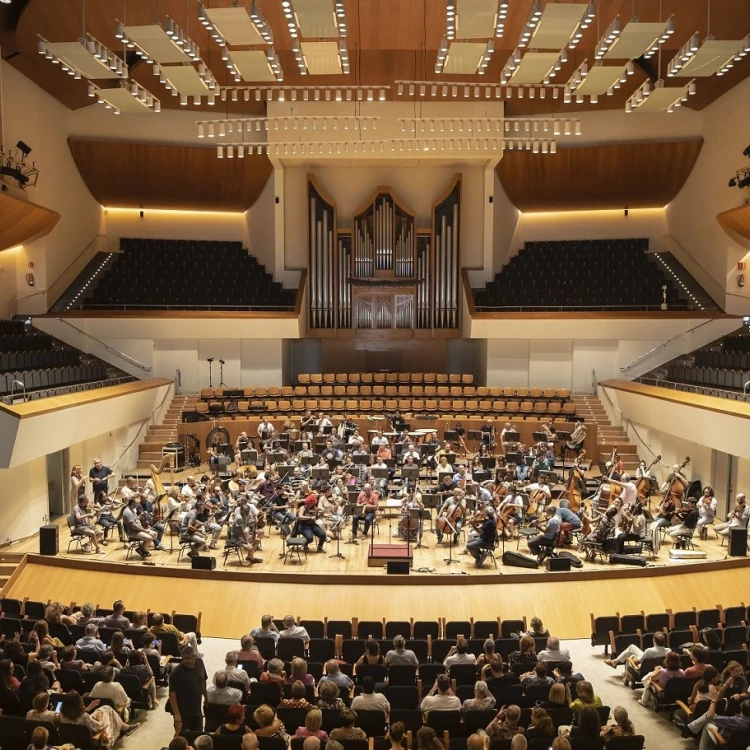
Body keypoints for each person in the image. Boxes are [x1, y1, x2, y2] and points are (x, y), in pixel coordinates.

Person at [59, 690, 138, 747]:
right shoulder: (84, 716)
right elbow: (101, 726)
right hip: (93, 739)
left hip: (74, 740)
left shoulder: (62, 715)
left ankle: (126, 727)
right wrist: (100, 718)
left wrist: (89, 707)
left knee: (104, 708)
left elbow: (76, 718)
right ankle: (126, 728)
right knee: (106, 713)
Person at [169, 646, 208, 733]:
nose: (185, 661)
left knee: (198, 734)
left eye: (187, 658)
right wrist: (177, 715)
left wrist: (206, 697)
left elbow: (203, 681)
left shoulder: (200, 663)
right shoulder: (176, 673)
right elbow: (172, 694)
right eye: (183, 659)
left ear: (194, 656)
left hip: (197, 709)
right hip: (183, 711)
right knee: (182, 735)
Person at [604, 630, 669, 674]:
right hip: (656, 667)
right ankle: (615, 662)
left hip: (643, 668)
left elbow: (636, 662)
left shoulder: (649, 651)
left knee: (630, 656)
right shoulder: (668, 651)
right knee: (632, 647)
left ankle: (618, 666)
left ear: (653, 641)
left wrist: (632, 658)